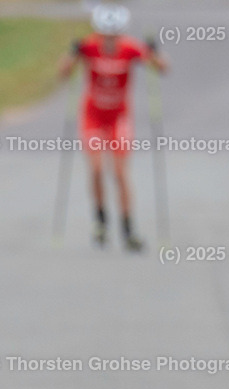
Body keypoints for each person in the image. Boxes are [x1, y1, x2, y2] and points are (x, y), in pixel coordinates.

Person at [57, 4, 168, 251]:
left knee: (119, 174)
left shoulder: (129, 48)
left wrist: (154, 52)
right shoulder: (88, 46)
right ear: (98, 32)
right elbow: (63, 73)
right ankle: (100, 221)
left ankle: (128, 229)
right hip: (93, 117)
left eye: (113, 34)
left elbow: (162, 68)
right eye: (104, 34)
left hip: (118, 118)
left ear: (121, 33)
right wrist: (72, 53)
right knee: (96, 170)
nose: (108, 40)